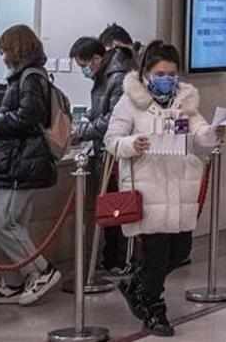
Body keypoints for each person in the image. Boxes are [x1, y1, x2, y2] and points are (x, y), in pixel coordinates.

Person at [106, 40, 220, 337]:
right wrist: (133, 144)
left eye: (171, 73)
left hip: (180, 189)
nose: (166, 79)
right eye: (160, 73)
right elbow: (112, 140)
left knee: (180, 250)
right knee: (156, 255)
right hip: (148, 189)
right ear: (146, 72)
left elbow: (200, 132)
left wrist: (212, 132)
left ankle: (136, 285)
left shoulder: (185, 102)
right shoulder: (129, 102)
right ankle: (154, 309)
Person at [0, 24, 62, 306]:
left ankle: (42, 271)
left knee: (2, 223)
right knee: (14, 225)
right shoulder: (26, 77)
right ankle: (13, 282)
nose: (2, 56)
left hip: (22, 162)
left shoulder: (30, 78)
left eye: (4, 50)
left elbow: (27, 116)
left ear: (16, 49)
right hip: (19, 161)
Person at [70, 35, 133, 275]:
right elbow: (101, 111)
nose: (85, 71)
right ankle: (111, 259)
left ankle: (118, 259)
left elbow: (114, 120)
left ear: (97, 58)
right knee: (111, 207)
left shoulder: (116, 77)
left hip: (115, 154)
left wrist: (81, 131)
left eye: (85, 66)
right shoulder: (105, 76)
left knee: (117, 207)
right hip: (105, 151)